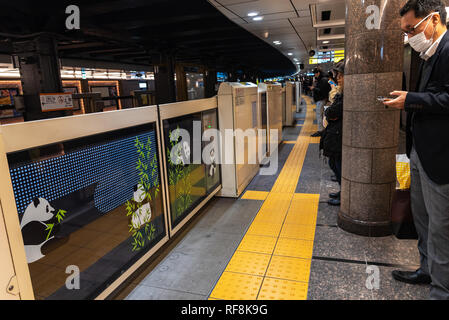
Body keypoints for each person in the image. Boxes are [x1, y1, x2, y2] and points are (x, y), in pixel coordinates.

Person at [384, 0, 449, 300]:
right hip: (420, 152)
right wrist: (409, 97)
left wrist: (410, 100)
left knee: (440, 227)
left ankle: (441, 290)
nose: (410, 37)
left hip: (440, 157)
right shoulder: (426, 54)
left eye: (412, 29)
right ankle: (426, 269)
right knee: (422, 218)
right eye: (406, 32)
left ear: (433, 19)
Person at [320, 61, 345, 206]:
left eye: (341, 76)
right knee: (334, 163)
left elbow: (333, 111)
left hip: (338, 134)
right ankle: (343, 192)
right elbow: (332, 112)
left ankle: (344, 195)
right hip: (335, 133)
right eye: (338, 76)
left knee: (338, 165)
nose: (338, 79)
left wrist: (329, 112)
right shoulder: (341, 93)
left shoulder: (346, 94)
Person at [310, 67, 331, 137]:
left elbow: (321, 91)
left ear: (318, 73)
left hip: (321, 99)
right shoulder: (323, 79)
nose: (314, 75)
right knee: (320, 115)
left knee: (319, 115)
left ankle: (320, 131)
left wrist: (314, 88)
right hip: (321, 99)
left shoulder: (323, 80)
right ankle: (322, 129)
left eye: (315, 74)